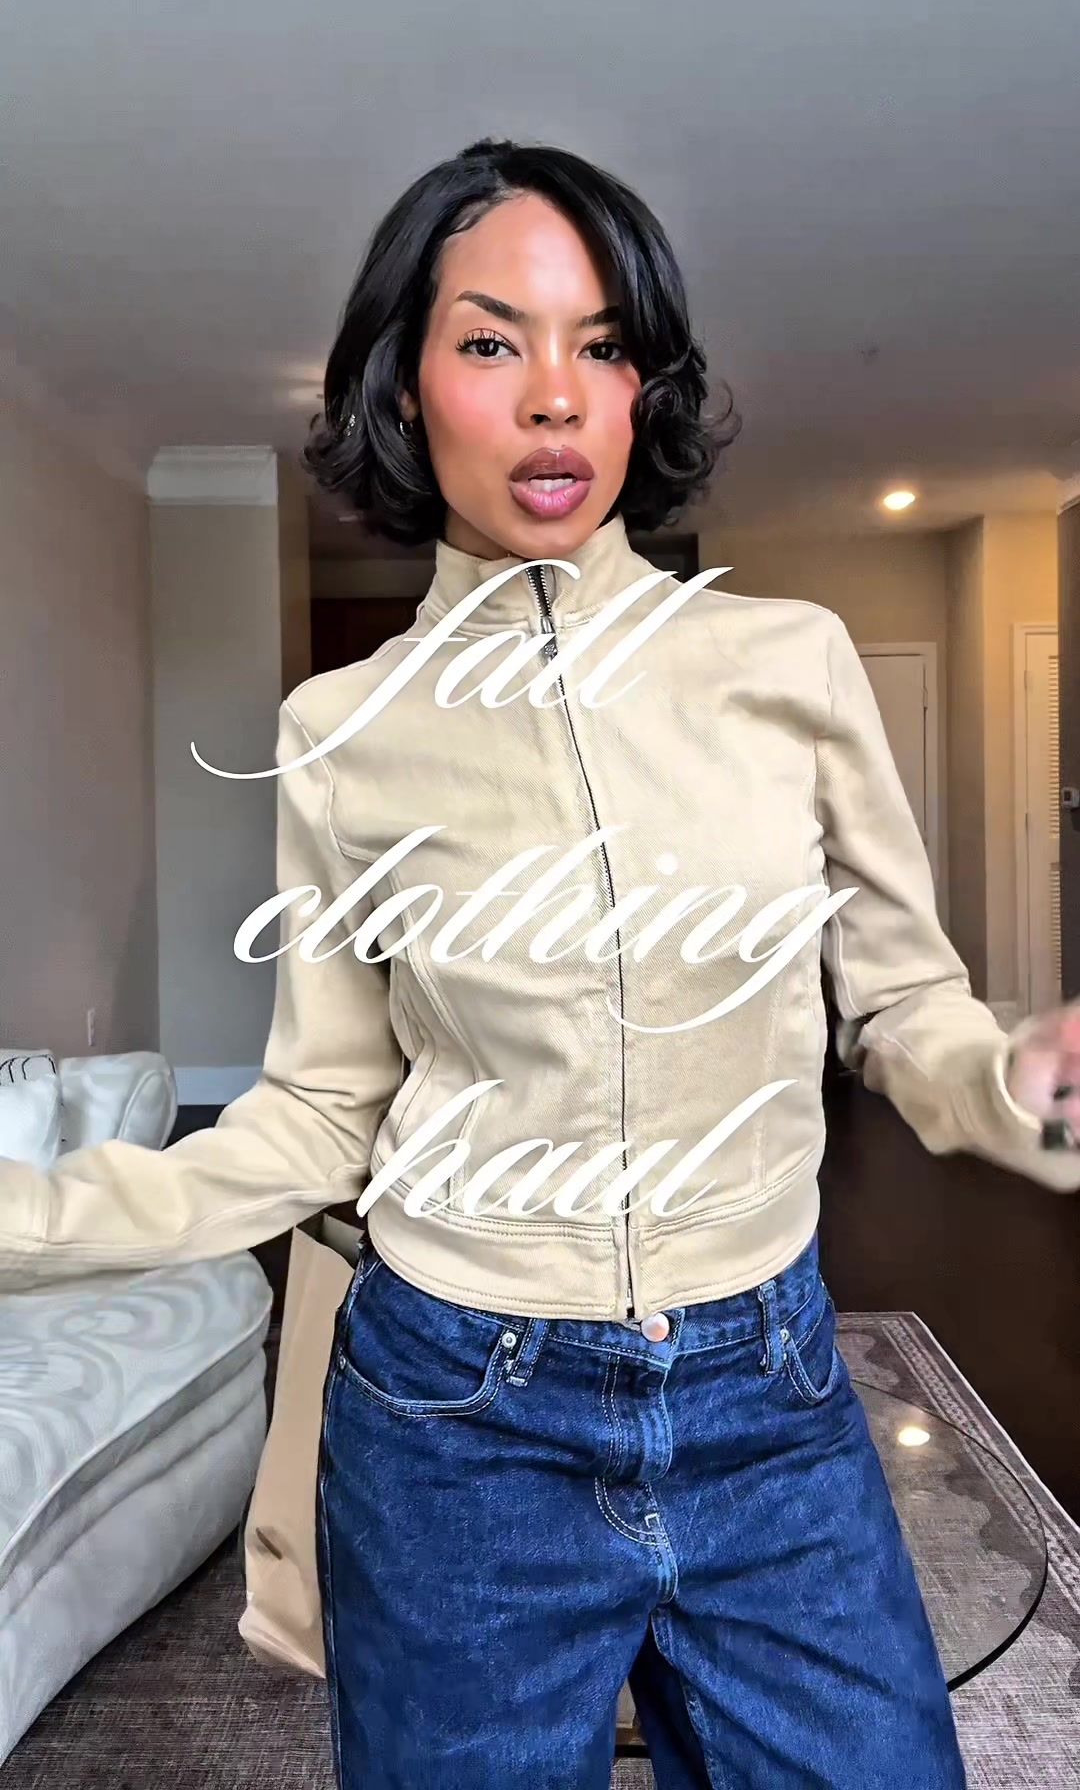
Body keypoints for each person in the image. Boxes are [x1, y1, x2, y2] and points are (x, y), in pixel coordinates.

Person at [4, 137, 1080, 1789]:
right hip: (459, 1418)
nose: (557, 397)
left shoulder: (789, 665)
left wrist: (1025, 1086)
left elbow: (900, 1002)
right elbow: (319, 1112)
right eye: (492, 341)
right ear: (404, 385)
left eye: (605, 344)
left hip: (768, 1391)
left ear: (648, 387)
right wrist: (27, 1216)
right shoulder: (340, 733)